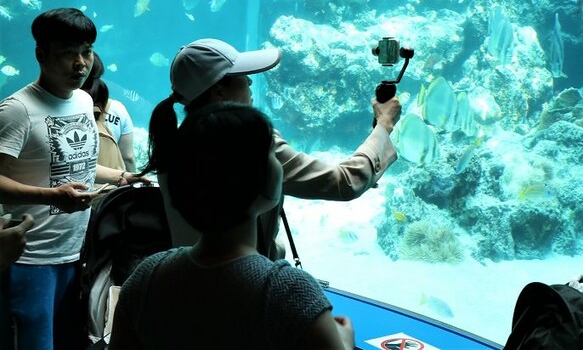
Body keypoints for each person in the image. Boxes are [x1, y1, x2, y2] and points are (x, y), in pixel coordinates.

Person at [109, 102, 355, 350]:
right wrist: (344, 341)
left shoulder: (146, 278)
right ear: (257, 181)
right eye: (272, 153)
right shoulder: (290, 293)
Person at [140, 38, 401, 256]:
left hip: (192, 276)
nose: (251, 83)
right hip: (243, 287)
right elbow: (344, 182)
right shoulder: (249, 142)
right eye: (243, 76)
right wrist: (384, 126)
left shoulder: (173, 140)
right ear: (219, 91)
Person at [0, 8, 147, 350]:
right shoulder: (17, 110)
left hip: (76, 254)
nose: (80, 63)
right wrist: (51, 197)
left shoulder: (83, 100)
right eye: (68, 54)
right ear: (41, 54)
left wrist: (123, 176)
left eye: (86, 51)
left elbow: (75, 163)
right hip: (30, 258)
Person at [81, 52, 138, 174]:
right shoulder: (117, 108)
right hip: (113, 187)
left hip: (73, 188)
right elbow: (128, 157)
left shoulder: (61, 107)